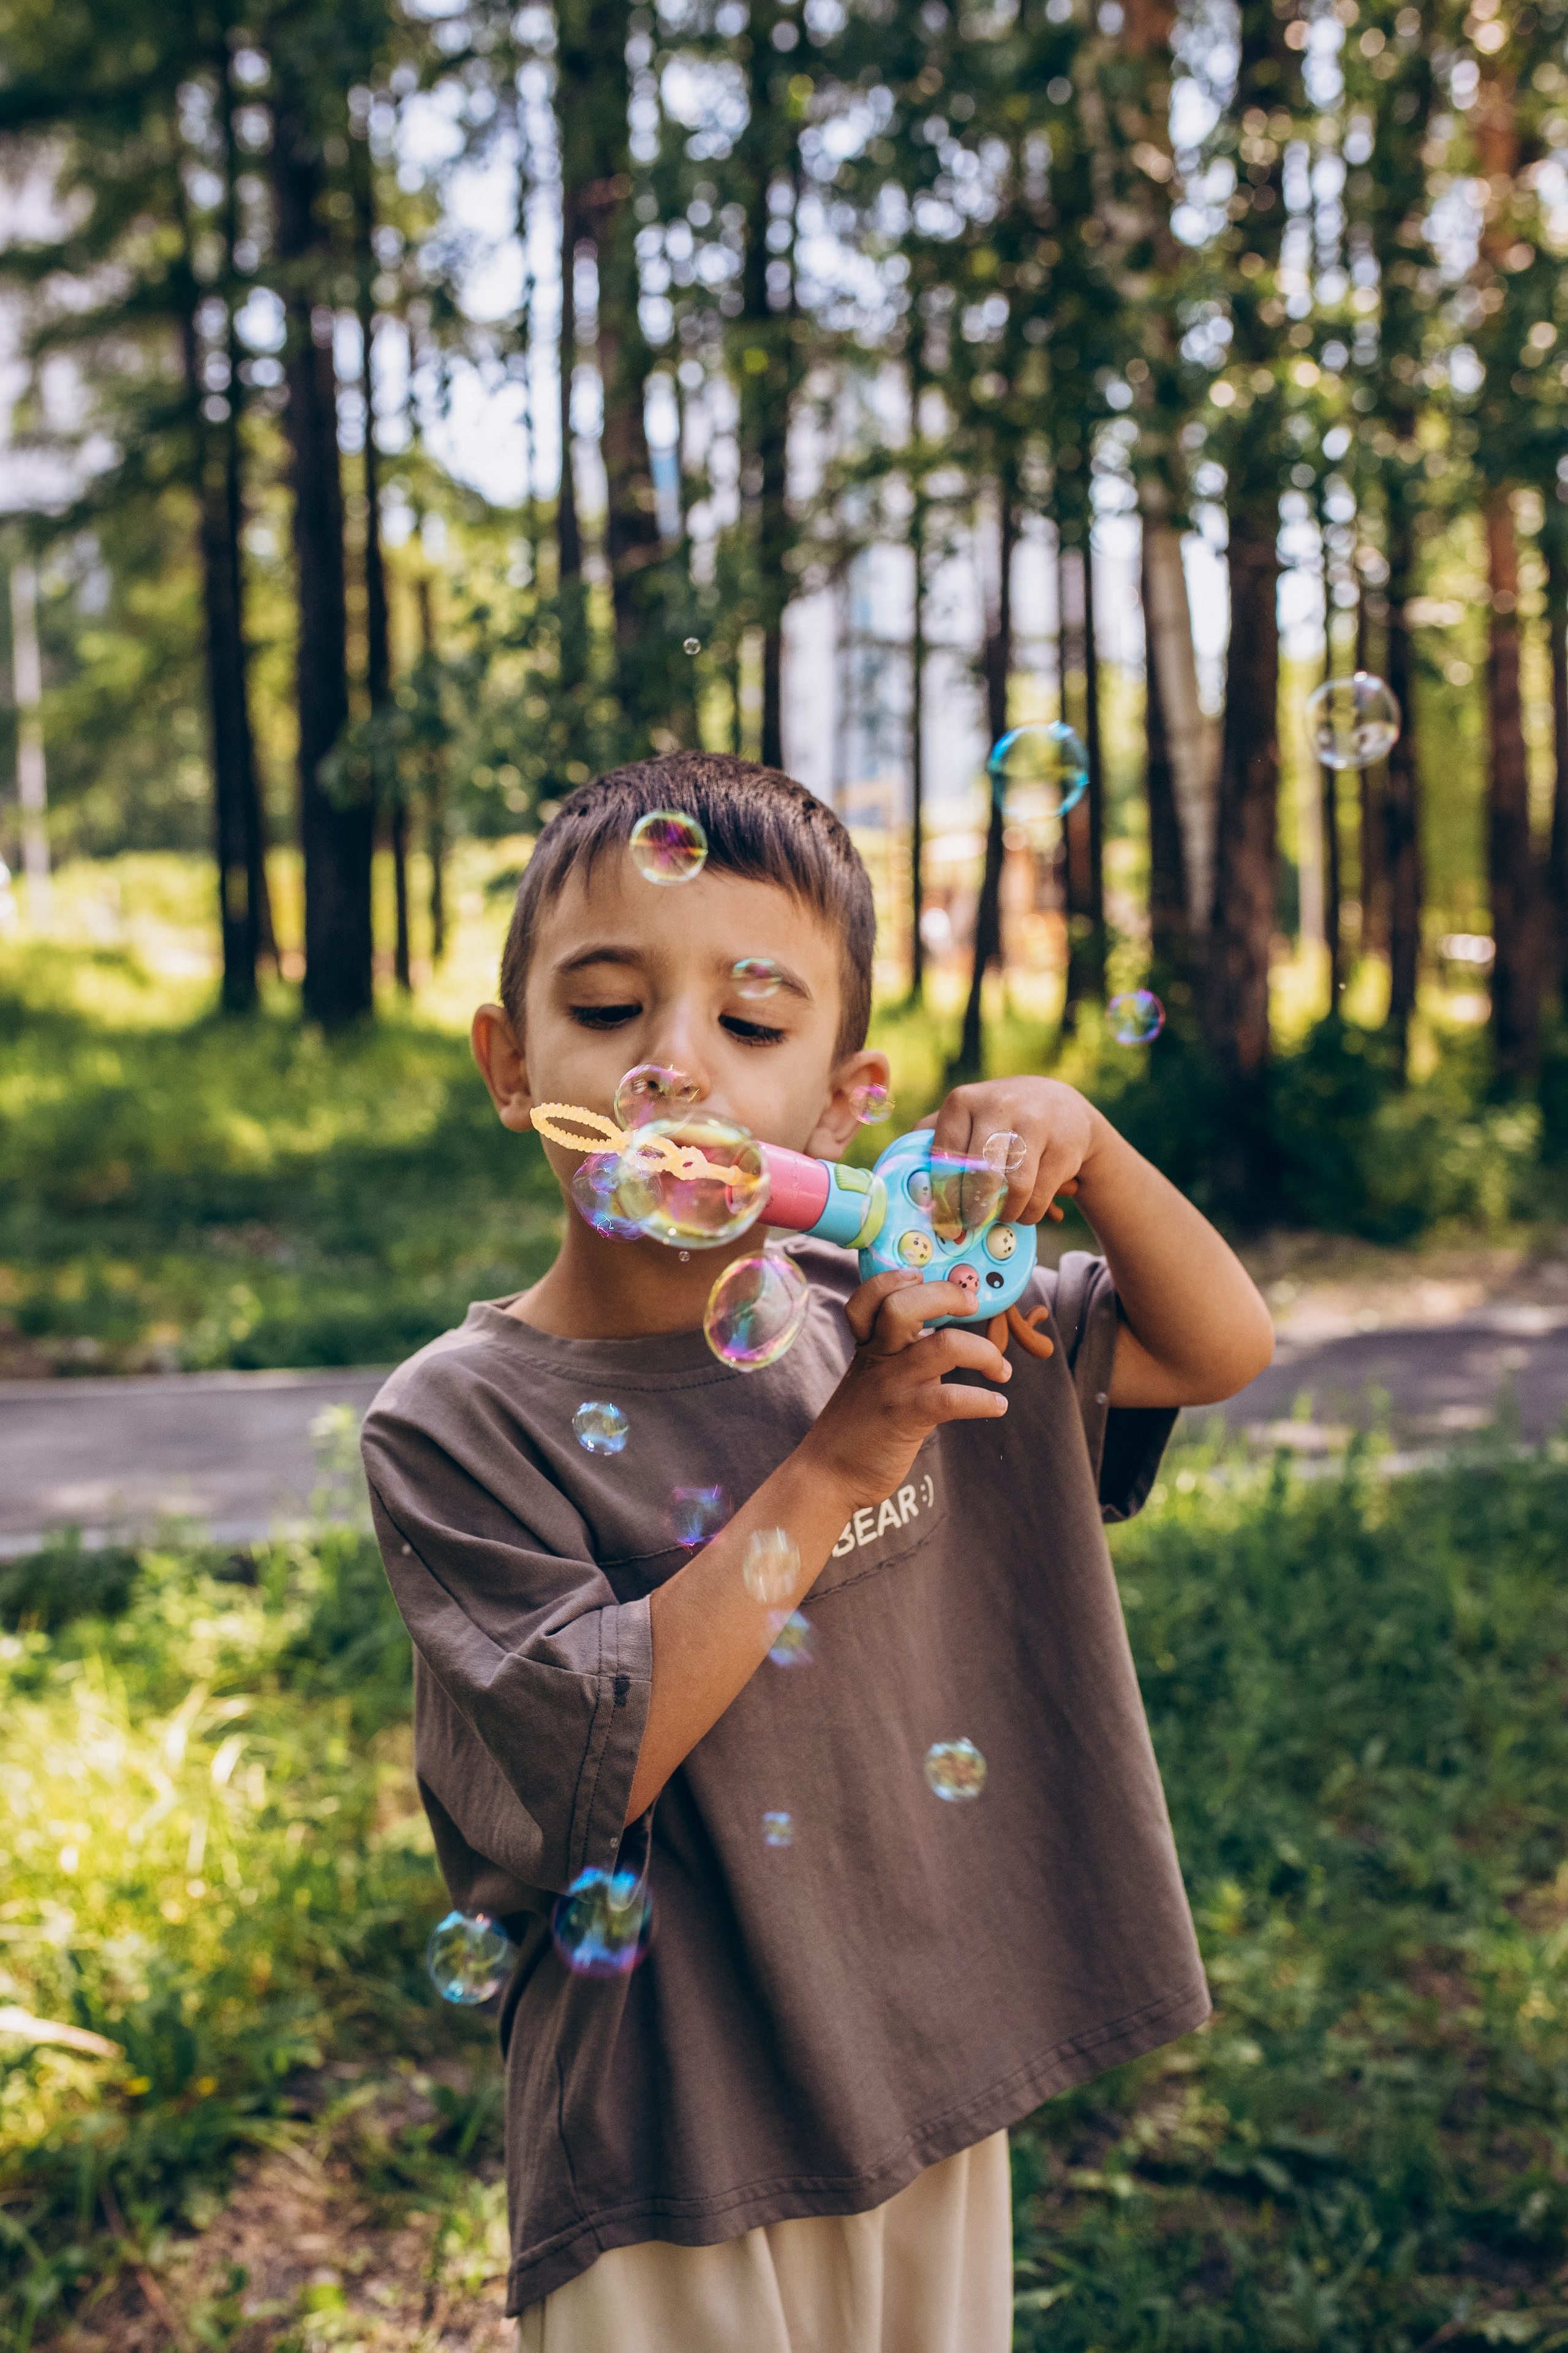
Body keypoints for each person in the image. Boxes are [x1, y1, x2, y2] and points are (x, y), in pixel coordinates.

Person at [360, 750, 1275, 2353]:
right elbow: (594, 1756)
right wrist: (847, 1452)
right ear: (513, 1065)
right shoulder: (461, 1419)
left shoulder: (900, 1305)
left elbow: (1220, 1347)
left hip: (927, 2072)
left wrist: (1098, 1148)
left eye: (755, 1023)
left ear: (846, 1103)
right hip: (675, 2137)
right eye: (608, 1008)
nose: (675, 1066)